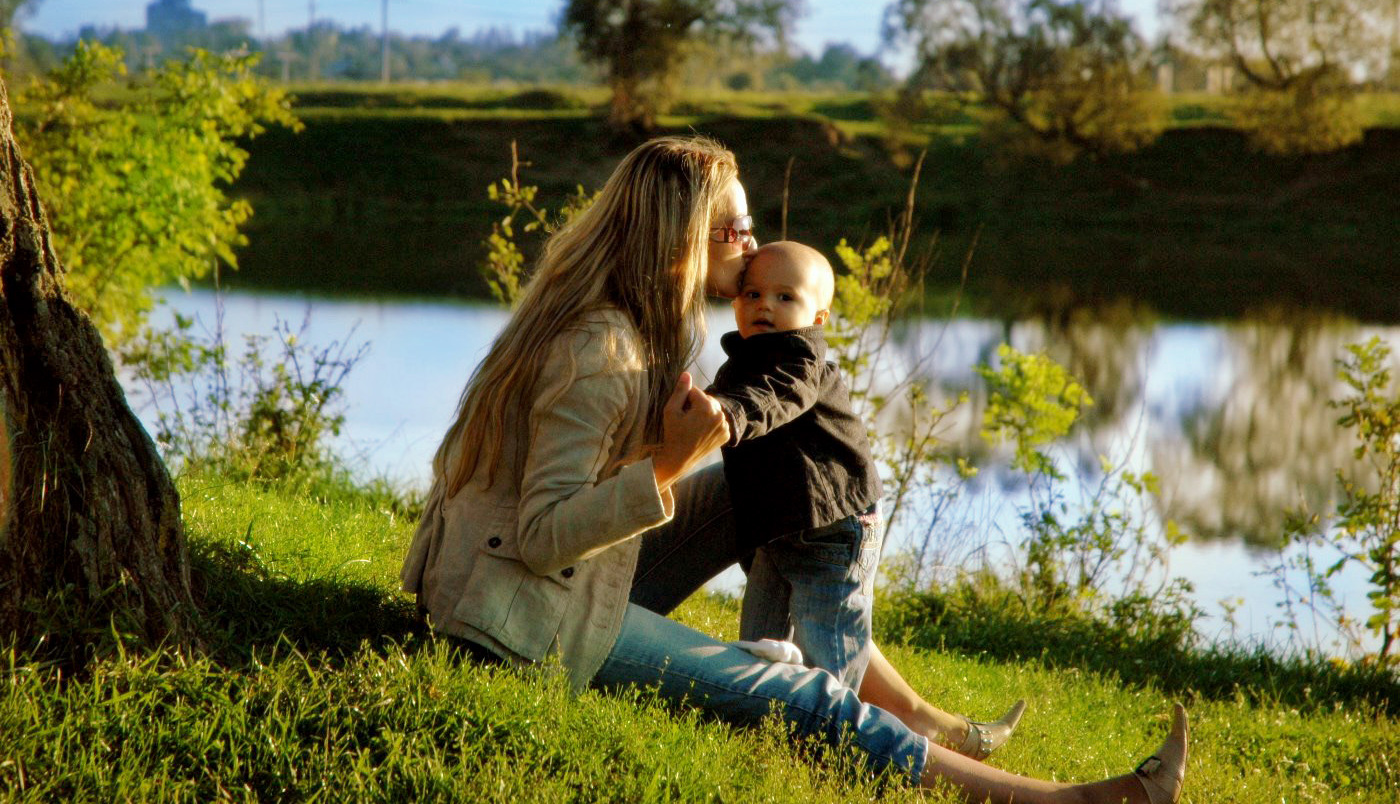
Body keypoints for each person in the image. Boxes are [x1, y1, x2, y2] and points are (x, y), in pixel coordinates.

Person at [401, 135, 1188, 803]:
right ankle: (1068, 801)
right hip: (519, 619)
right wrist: (668, 463)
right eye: (735, 229)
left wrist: (687, 457)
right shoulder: (601, 349)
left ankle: (920, 715)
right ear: (686, 238)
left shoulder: (634, 323)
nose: (753, 243)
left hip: (537, 582)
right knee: (806, 701)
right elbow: (541, 537)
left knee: (770, 493)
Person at [706, 239, 1025, 758]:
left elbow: (773, 400)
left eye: (786, 297)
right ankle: (760, 737)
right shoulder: (740, 361)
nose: (764, 304)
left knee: (829, 656)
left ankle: (837, 747)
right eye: (753, 292)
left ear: (819, 315)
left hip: (834, 532)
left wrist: (728, 416)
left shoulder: (798, 360)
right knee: (758, 647)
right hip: (781, 533)